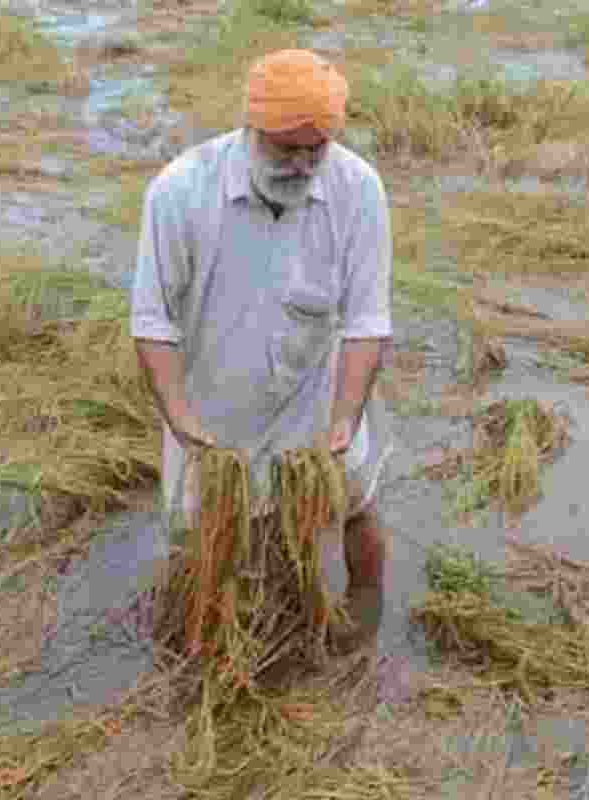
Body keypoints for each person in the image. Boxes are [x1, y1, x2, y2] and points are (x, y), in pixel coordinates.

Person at [128, 48, 395, 654]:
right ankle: (212, 639)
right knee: (205, 534)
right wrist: (183, 421)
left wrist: (344, 420)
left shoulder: (358, 189)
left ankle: (361, 619)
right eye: (285, 149)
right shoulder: (180, 192)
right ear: (251, 127)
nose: (301, 164)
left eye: (316, 150)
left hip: (319, 395)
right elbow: (152, 322)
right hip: (213, 408)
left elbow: (366, 321)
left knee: (353, 507)